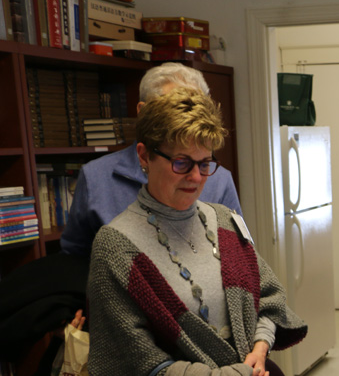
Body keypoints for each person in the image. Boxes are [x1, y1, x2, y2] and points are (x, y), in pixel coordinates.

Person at [87, 88, 306, 376]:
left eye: (206, 164)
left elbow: (267, 298)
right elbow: (130, 362)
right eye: (181, 162)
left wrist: (259, 350)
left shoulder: (224, 221)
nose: (195, 177)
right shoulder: (116, 245)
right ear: (144, 156)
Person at [61, 62, 242, 258]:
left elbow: (239, 255)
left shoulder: (219, 179)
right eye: (172, 109)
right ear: (143, 112)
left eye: (197, 109)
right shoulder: (95, 177)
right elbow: (75, 258)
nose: (188, 121)